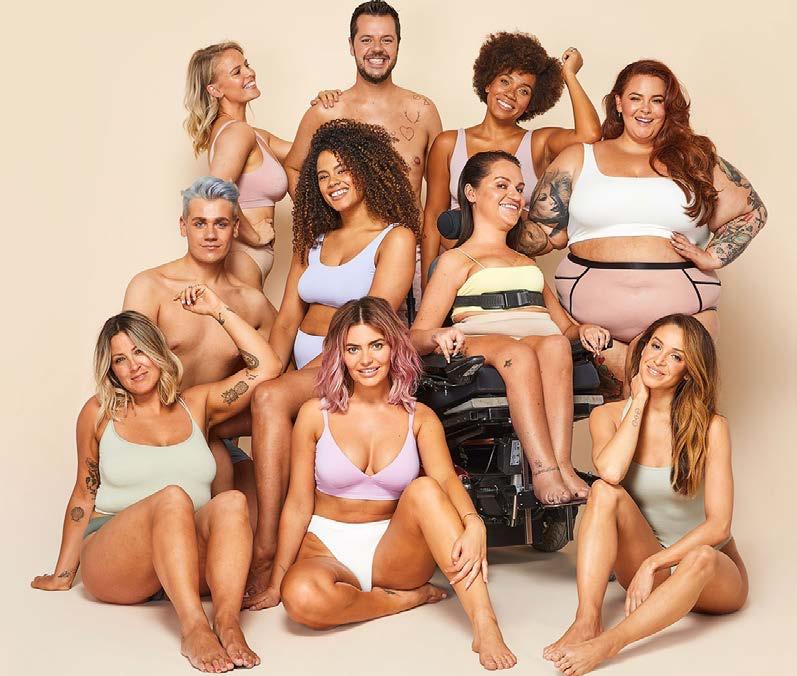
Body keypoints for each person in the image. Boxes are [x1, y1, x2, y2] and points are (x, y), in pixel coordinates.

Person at [259, 297, 517, 671]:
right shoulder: (315, 415)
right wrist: (276, 581)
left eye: (376, 345)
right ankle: (403, 600)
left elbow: (446, 480)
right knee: (299, 598)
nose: (366, 359)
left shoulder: (420, 418)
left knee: (425, 489)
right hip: (326, 548)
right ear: (339, 355)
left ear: (394, 347)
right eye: (353, 349)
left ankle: (484, 622)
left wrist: (474, 523)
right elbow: (298, 503)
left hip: (395, 551)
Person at [30, 298, 283, 672]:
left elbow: (267, 367)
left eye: (140, 351)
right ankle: (194, 627)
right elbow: (84, 491)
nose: (133, 366)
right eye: (120, 360)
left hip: (186, 556)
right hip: (117, 560)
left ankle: (228, 623)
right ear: (111, 370)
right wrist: (63, 574)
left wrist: (217, 309)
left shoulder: (197, 404)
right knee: (172, 498)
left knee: (231, 501)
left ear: (158, 351)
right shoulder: (99, 413)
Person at [245, 119, 419, 606]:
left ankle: (266, 547)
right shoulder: (313, 240)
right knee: (236, 406)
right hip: (301, 366)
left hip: (350, 364)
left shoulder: (395, 238)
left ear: (368, 169)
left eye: (343, 170)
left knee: (270, 400)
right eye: (322, 176)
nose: (333, 182)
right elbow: (286, 320)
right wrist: (269, 371)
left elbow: (374, 321)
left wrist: (287, 383)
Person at [522, 59, 767, 393]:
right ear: (618, 103)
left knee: (665, 411)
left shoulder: (695, 159)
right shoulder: (579, 157)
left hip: (682, 317)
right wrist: (493, 214)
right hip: (592, 326)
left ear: (668, 107)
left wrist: (713, 256)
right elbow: (542, 234)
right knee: (617, 414)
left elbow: (752, 211)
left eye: (657, 100)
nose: (646, 109)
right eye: (635, 98)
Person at [543, 314, 748, 675]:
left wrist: (655, 564)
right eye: (656, 346)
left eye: (676, 356)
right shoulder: (607, 416)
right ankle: (587, 620)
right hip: (645, 563)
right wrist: (637, 400)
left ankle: (610, 643)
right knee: (603, 491)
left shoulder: (712, 426)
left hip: (710, 574)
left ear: (689, 371)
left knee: (700, 556)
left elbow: (719, 526)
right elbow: (611, 473)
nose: (659, 360)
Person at [411, 151, 611, 505]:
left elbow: (564, 328)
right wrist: (438, 334)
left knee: (556, 345)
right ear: (471, 193)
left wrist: (583, 330)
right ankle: (543, 471)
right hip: (483, 344)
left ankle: (563, 466)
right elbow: (416, 337)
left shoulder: (526, 263)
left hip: (541, 344)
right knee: (517, 353)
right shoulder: (456, 260)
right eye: (501, 185)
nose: (515, 196)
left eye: (519, 188)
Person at [123, 176, 273, 513]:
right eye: (199, 223)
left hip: (214, 435)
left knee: (260, 509)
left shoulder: (252, 303)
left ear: (235, 228)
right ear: (183, 226)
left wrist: (213, 426)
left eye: (221, 223)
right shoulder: (150, 287)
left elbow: (275, 387)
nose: (210, 234)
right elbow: (127, 375)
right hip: (155, 438)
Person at [283, 1, 443, 301]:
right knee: (348, 330)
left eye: (387, 40)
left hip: (412, 252)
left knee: (412, 332)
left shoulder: (423, 111)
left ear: (398, 44)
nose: (377, 49)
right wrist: (323, 216)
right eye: (366, 39)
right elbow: (293, 167)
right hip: (348, 256)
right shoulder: (327, 111)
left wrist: (433, 264)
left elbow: (439, 196)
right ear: (351, 45)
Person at [421, 32, 601, 288]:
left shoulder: (537, 143)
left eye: (523, 90)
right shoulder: (448, 143)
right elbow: (432, 218)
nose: (510, 94)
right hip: (457, 274)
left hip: (513, 272)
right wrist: (427, 284)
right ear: (488, 83)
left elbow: (590, 135)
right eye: (504, 81)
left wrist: (569, 75)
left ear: (531, 103)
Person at [185, 41, 340, 290]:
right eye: (237, 72)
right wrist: (252, 236)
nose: (249, 73)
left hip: (251, 257)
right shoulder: (237, 132)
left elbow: (311, 154)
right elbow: (215, 191)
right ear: (215, 90)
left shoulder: (255, 135)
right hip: (242, 255)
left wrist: (324, 109)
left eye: (246, 65)